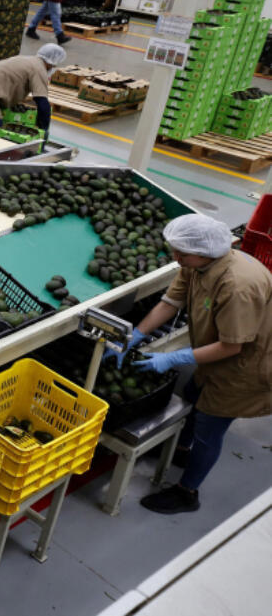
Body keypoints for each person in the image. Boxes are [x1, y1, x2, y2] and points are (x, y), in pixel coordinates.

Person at [106, 214, 272, 515]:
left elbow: (233, 345)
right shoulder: (197, 264)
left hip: (247, 366)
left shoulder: (237, 285)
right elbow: (171, 302)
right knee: (195, 394)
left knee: (211, 425)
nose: (175, 257)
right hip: (215, 353)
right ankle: (180, 450)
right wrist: (136, 335)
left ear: (205, 251)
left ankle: (187, 492)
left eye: (181, 252)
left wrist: (174, 357)